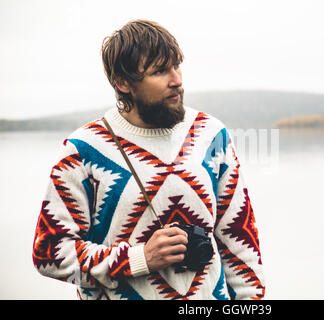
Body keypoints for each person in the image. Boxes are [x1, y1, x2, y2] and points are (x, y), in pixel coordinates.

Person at [32, 19, 265, 300]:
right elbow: (49, 254)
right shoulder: (82, 150)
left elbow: (239, 241)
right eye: (160, 71)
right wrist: (137, 258)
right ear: (122, 82)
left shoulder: (211, 134)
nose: (177, 80)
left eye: (176, 65)